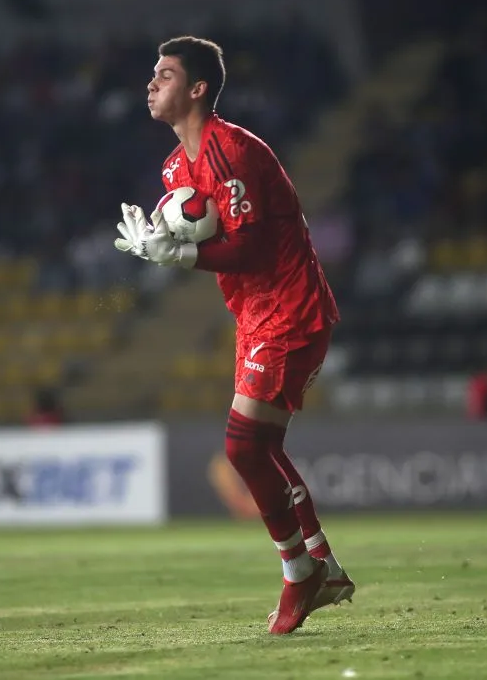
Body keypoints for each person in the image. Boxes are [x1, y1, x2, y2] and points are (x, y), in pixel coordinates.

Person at [113, 37, 353, 634]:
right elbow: (217, 243)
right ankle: (323, 561)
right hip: (254, 315)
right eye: (152, 74)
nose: (151, 83)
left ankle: (300, 574)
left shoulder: (233, 152)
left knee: (243, 447)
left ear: (197, 89)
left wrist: (180, 255)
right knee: (262, 448)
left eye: (164, 75)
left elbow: (250, 246)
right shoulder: (175, 168)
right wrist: (168, 248)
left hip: (290, 308)